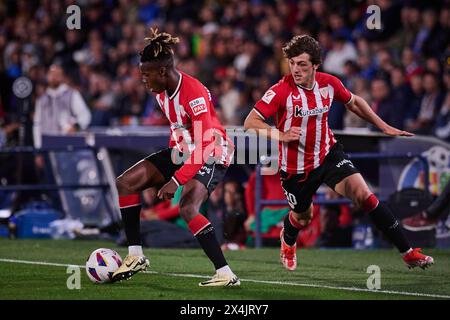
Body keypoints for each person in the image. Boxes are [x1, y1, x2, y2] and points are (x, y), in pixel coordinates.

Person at [244, 34, 434, 271]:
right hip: (296, 168)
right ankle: (288, 238)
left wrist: (382, 125)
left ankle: (408, 253)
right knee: (303, 217)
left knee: (364, 195)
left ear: (315, 65)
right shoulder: (281, 91)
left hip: (328, 154)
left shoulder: (329, 83)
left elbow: (353, 102)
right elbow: (250, 122)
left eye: (302, 64)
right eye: (292, 63)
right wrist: (279, 134)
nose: (295, 69)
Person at [111, 29, 239, 286]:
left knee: (188, 208)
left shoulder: (194, 93)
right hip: (185, 151)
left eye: (146, 75)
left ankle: (225, 273)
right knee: (126, 182)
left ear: (162, 72)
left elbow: (204, 144)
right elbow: (177, 129)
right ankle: (135, 255)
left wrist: (176, 180)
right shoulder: (160, 92)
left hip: (213, 151)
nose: (143, 81)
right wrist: (167, 169)